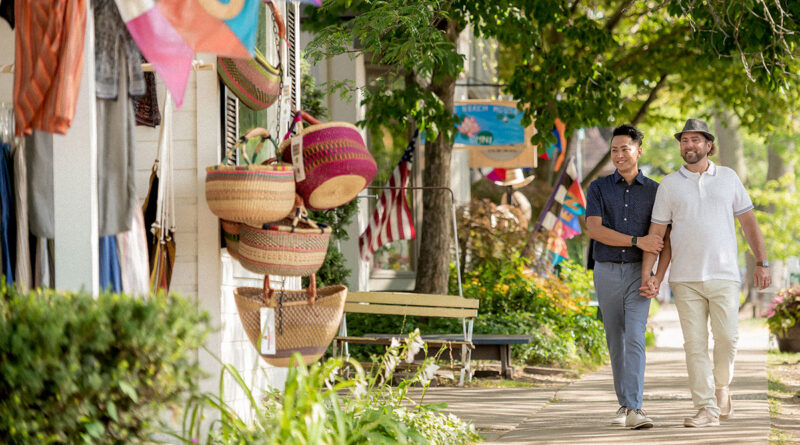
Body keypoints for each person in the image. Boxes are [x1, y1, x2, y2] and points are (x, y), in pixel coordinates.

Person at [640, 118, 771, 428]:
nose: (690, 145)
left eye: (696, 140)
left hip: (725, 276)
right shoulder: (670, 184)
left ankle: (722, 387)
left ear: (709, 145)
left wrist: (762, 262)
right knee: (694, 345)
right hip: (685, 279)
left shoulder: (728, 178)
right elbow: (658, 234)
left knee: (728, 339)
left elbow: (749, 224)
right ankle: (706, 408)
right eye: (685, 140)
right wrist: (652, 275)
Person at [586, 124, 669, 429]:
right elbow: (595, 230)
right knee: (615, 340)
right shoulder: (598, 188)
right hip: (606, 271)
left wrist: (657, 276)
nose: (619, 155)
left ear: (638, 151)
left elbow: (664, 238)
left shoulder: (657, 190)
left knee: (634, 336)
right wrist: (637, 240)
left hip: (638, 273)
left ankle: (634, 407)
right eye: (614, 150)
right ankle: (624, 405)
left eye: (625, 149)